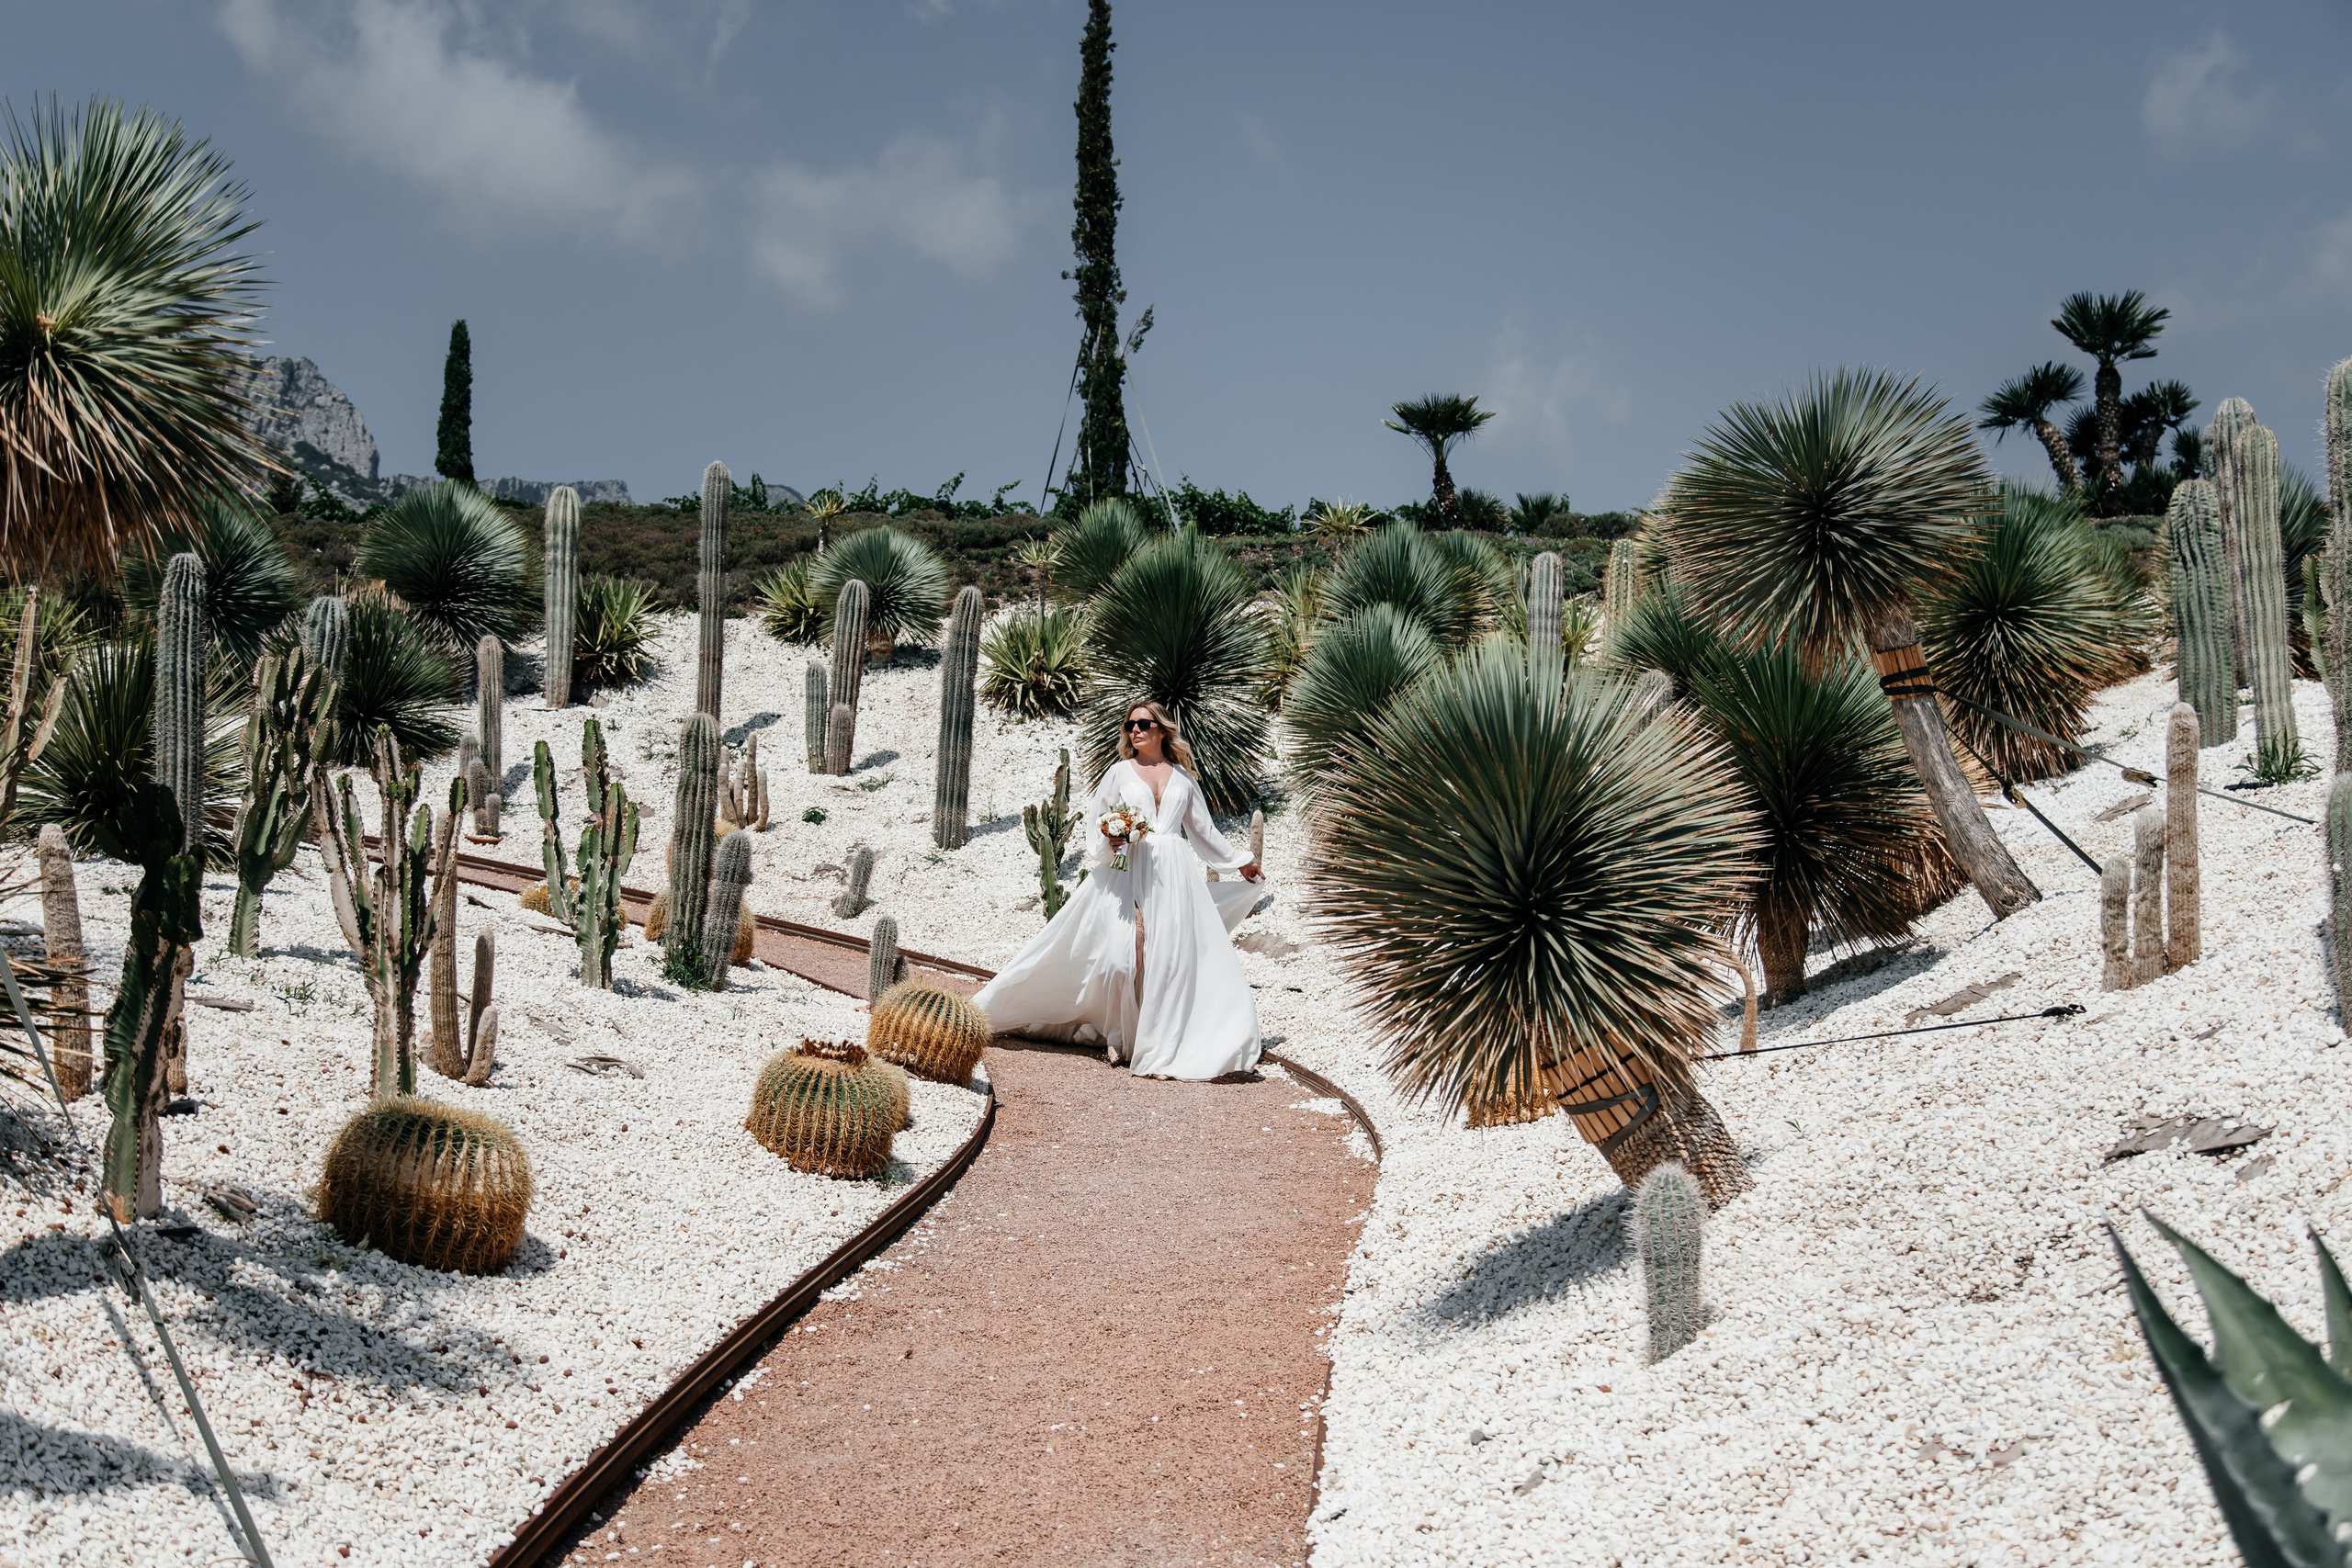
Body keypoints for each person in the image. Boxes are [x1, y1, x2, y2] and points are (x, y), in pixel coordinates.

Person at [973, 701, 1265, 1079]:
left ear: (1161, 730)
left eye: (1144, 724)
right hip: (1129, 868)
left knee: (1170, 959)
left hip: (1174, 873)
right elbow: (1098, 823)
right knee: (1125, 955)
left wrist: (1239, 860)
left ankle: (1154, 1044)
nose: (1135, 731)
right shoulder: (1118, 773)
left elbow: (1203, 832)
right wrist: (1110, 842)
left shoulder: (1183, 778)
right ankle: (1120, 1031)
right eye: (1130, 725)